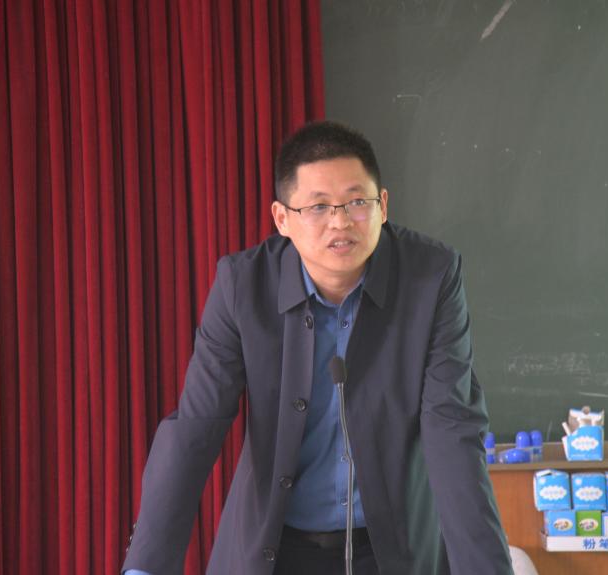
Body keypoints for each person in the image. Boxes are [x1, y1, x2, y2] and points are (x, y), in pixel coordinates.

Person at [122, 121, 512, 574]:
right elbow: (197, 425)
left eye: (357, 202)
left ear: (384, 205)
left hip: (392, 549)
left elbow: (452, 430)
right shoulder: (243, 286)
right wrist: (144, 567)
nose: (340, 222)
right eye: (318, 206)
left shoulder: (431, 278)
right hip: (274, 548)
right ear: (282, 219)